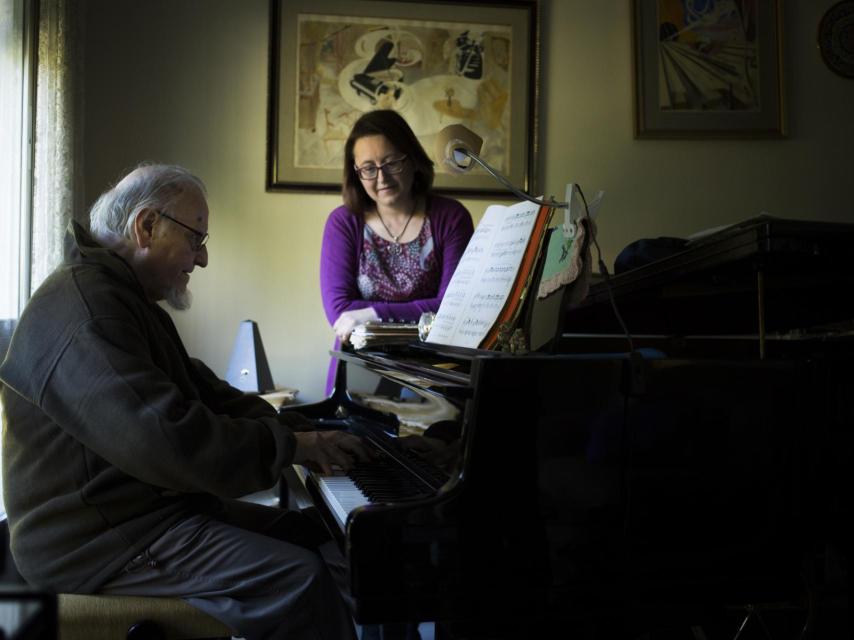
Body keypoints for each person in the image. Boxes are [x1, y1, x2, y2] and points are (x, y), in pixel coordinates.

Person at [0, 163, 371, 640]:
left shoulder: (120, 295)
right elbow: (169, 439)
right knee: (298, 580)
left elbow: (204, 390)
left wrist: (299, 433)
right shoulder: (90, 311)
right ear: (146, 227)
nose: (203, 259)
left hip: (140, 511)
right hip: (93, 540)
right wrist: (292, 448)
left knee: (313, 535)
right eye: (196, 239)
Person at [319, 109, 475, 394]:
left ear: (412, 159)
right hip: (360, 372)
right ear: (356, 173)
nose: (382, 178)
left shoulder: (451, 217)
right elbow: (340, 311)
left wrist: (372, 313)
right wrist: (420, 312)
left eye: (391, 163)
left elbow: (451, 307)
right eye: (368, 168)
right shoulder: (343, 223)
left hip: (437, 370)